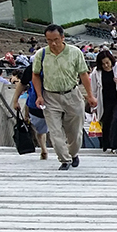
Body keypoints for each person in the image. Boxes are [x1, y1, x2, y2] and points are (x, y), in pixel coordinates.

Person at [33, 24, 96, 170]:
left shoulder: (74, 52)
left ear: (63, 38)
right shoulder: (41, 54)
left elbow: (83, 74)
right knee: (55, 132)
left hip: (72, 94)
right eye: (49, 40)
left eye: (56, 39)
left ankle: (73, 153)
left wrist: (90, 96)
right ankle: (64, 159)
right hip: (50, 96)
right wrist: (39, 95)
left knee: (75, 132)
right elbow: (35, 75)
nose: (53, 44)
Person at [90, 50, 117, 156]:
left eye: (107, 63)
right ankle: (110, 145)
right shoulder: (96, 72)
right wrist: (93, 102)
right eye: (103, 64)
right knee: (106, 122)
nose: (105, 65)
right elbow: (94, 88)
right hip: (104, 101)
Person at [10, 64, 49, 160]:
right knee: (58, 129)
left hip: (34, 104)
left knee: (40, 131)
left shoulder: (33, 67)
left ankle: (44, 149)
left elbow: (22, 84)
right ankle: (63, 152)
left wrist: (15, 101)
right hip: (53, 103)